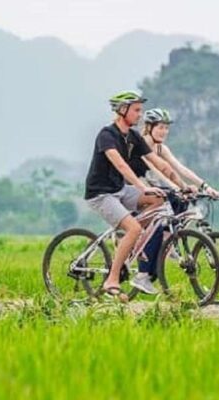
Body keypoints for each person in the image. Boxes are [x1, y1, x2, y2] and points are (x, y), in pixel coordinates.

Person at [83, 90, 186, 299]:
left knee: (160, 199)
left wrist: (182, 186)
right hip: (101, 194)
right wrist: (142, 187)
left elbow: (160, 164)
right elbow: (120, 164)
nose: (140, 115)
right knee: (133, 228)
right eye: (137, 110)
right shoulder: (107, 135)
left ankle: (134, 240)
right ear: (123, 110)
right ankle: (112, 279)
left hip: (120, 191)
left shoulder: (133, 136)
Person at [139, 108, 219, 202]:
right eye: (161, 127)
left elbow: (181, 169)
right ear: (149, 127)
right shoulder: (141, 144)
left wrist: (206, 187)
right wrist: (177, 188)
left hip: (153, 186)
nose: (164, 132)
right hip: (136, 187)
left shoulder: (161, 148)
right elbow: (156, 172)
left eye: (167, 128)